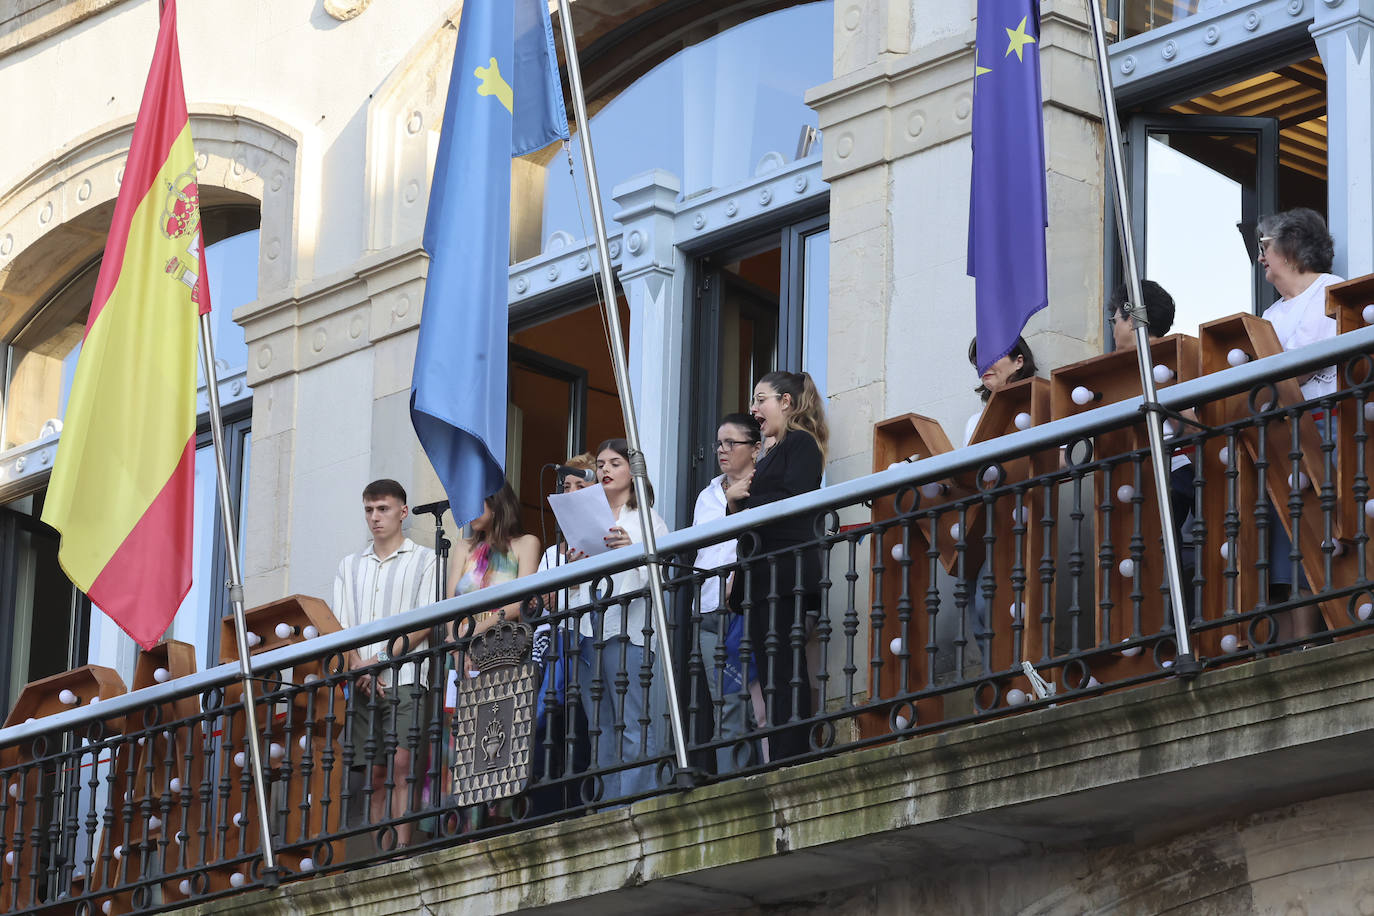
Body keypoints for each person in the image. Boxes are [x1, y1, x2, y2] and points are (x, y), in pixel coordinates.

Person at [727, 370, 828, 761]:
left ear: (786, 402)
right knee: (772, 670)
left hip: (783, 574)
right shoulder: (771, 452)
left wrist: (742, 501)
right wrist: (733, 502)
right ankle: (782, 752)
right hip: (764, 576)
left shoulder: (801, 444)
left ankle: (792, 753)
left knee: (784, 666)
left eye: (761, 399)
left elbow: (792, 498)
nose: (754, 410)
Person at [333, 478, 437, 848]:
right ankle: (382, 855)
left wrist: (375, 661)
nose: (375, 518)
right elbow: (340, 628)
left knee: (403, 767)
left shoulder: (425, 560)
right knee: (375, 773)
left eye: (383, 509)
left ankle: (402, 854)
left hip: (406, 676)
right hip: (361, 680)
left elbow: (424, 622)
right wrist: (358, 665)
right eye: (369, 510)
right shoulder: (349, 565)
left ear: (403, 512)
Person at [1257, 208, 1342, 642]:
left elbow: (1305, 368)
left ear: (1290, 246)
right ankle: (1292, 645)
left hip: (1324, 429)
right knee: (1282, 543)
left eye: (1264, 246)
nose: (1260, 258)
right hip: (1278, 439)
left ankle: (1315, 639)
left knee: (1316, 532)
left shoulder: (1331, 292)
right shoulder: (1269, 314)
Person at [571, 438, 670, 801]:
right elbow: (574, 589)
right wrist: (575, 565)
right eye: (601, 464)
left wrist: (630, 550)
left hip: (629, 631)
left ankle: (637, 802)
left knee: (632, 721)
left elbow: (659, 578)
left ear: (632, 471)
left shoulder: (648, 519)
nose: (605, 470)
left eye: (614, 463)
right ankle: (608, 808)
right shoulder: (586, 519)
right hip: (588, 632)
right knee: (599, 728)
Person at [445, 480, 541, 829]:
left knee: (499, 734)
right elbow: (451, 605)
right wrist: (459, 644)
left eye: (476, 503)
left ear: (497, 504)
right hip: (462, 655)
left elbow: (523, 600)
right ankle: (463, 826)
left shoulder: (525, 543)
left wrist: (478, 632)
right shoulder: (463, 548)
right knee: (460, 741)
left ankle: (495, 819)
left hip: (504, 652)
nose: (468, 513)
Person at [692, 413, 762, 773]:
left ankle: (755, 780)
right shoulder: (707, 494)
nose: (722, 449)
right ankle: (731, 785)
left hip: (745, 607)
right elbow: (703, 546)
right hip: (708, 610)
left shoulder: (764, 484)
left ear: (754, 449)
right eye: (719, 443)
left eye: (731, 443)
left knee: (755, 705)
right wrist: (724, 503)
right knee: (726, 704)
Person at [963, 336, 1038, 446]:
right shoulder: (974, 422)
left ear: (1018, 361)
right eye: (978, 361)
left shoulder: (1043, 407)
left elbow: (1062, 458)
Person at [1107, 279, 1175, 352]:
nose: (1114, 333)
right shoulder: (1175, 356)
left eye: (1115, 321)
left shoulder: (1138, 362)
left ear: (1132, 320)